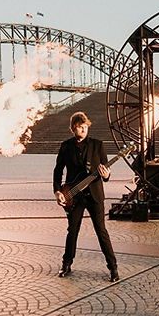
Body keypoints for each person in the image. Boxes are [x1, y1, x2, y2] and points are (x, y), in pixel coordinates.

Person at [53, 112, 118, 282]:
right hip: (74, 196)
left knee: (101, 231)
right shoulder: (66, 146)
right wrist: (58, 191)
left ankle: (113, 267)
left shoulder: (98, 145)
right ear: (73, 128)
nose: (83, 129)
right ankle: (66, 264)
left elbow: (106, 172)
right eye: (80, 127)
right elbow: (58, 171)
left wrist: (105, 175)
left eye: (86, 127)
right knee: (72, 231)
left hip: (94, 195)